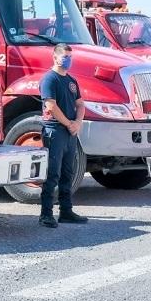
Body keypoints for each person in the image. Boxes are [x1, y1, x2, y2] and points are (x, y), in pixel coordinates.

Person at [38, 43, 88, 228]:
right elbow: (51, 106)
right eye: (65, 57)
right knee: (52, 173)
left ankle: (66, 211)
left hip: (70, 132)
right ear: (55, 57)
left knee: (68, 172)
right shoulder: (49, 79)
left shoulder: (72, 81)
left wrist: (78, 123)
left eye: (70, 57)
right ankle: (46, 214)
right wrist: (69, 124)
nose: (68, 60)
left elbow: (80, 104)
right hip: (55, 131)